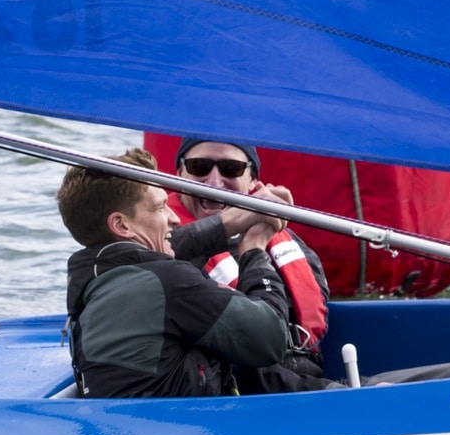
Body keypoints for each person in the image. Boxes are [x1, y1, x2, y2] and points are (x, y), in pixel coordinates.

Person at [57, 148, 291, 398]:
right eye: (160, 208)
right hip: (180, 430)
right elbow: (272, 338)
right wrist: (254, 250)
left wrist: (226, 224)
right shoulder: (169, 282)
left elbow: (160, 251)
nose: (175, 218)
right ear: (121, 225)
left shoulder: (91, 279)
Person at [167, 138, 333, 393]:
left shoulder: (291, 244)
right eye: (199, 166)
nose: (213, 182)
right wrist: (252, 246)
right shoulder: (164, 245)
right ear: (179, 174)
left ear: (253, 179)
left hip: (306, 381)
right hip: (244, 394)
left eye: (230, 169)